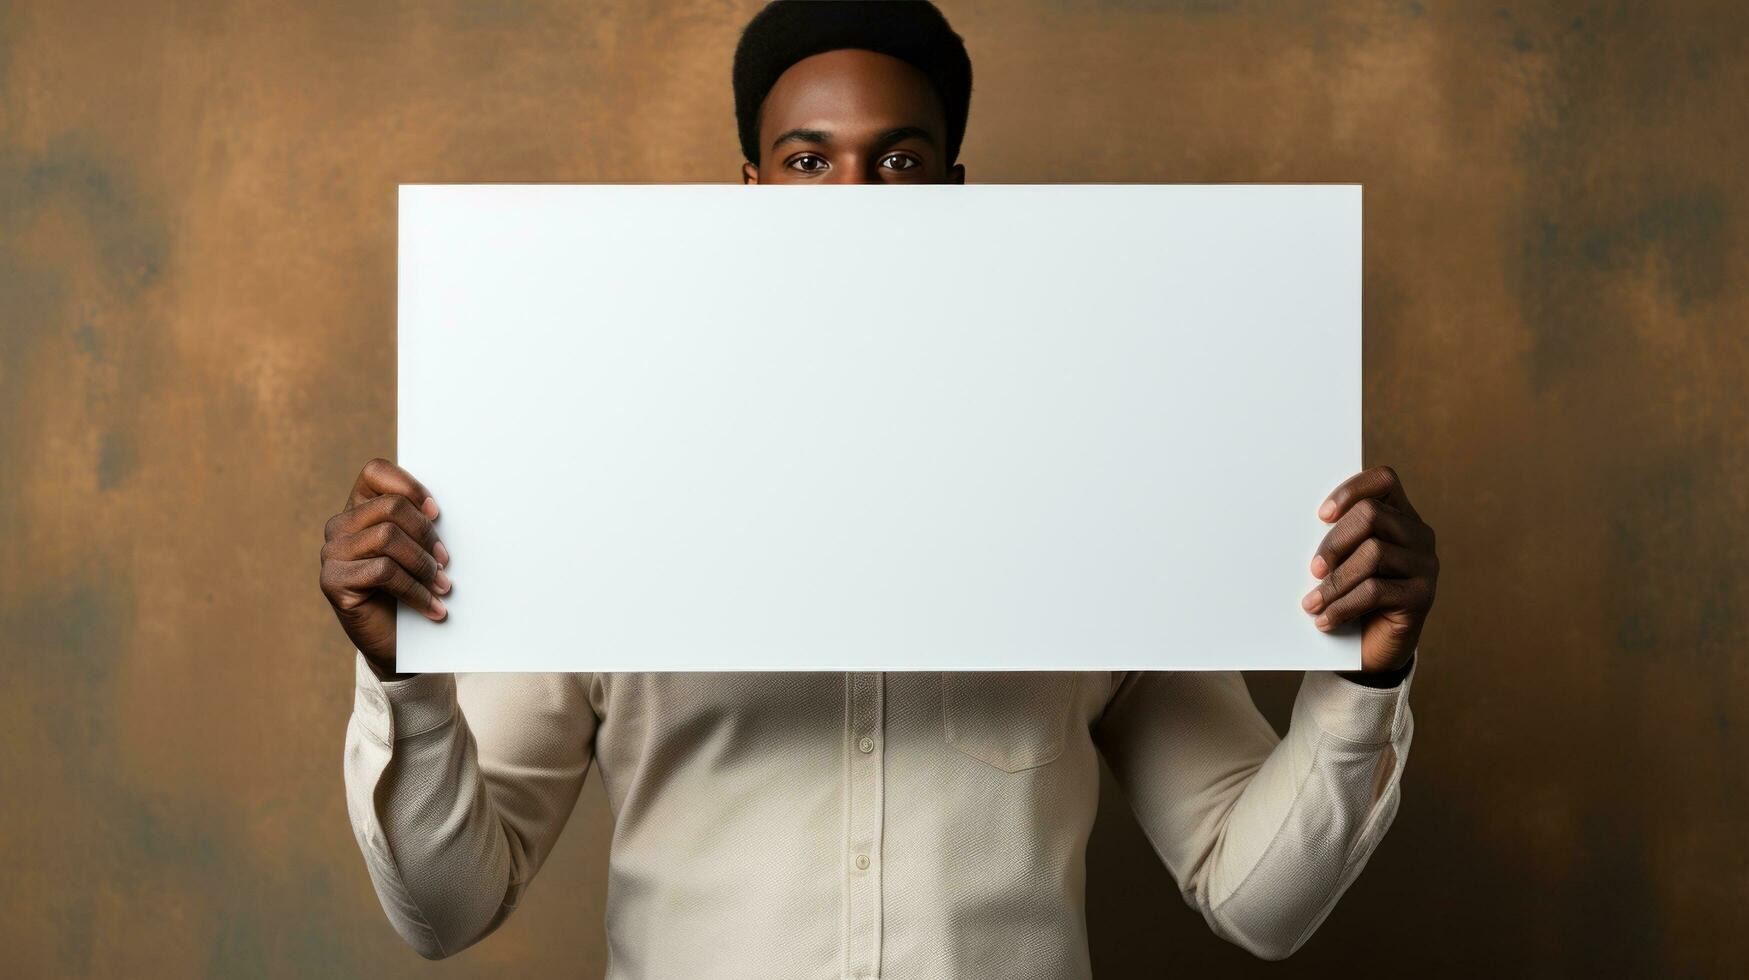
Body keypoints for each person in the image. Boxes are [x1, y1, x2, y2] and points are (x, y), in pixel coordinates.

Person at [323, 2, 1439, 976]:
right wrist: (403, 678)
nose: (852, 198)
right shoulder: (590, 494)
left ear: (954, 193)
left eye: (897, 162)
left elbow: (1257, 900)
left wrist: (1363, 686)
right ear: (749, 191)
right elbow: (451, 906)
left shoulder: (1109, 496)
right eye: (808, 162)